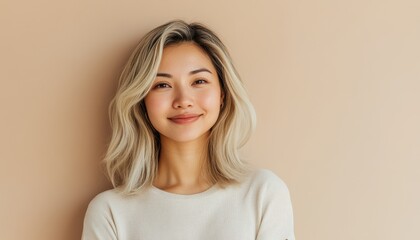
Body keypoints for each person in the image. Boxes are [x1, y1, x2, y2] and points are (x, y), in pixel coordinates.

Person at [81, 20, 295, 240]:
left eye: (199, 81)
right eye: (162, 85)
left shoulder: (264, 194)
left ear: (222, 94)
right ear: (142, 101)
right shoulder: (110, 213)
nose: (183, 101)